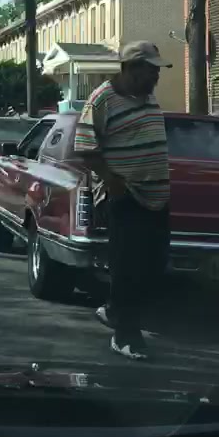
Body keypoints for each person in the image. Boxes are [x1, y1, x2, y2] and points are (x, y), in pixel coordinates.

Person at [73, 41, 172, 360]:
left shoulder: (147, 97)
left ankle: (116, 309)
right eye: (151, 70)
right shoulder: (102, 99)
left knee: (154, 265)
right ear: (130, 68)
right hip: (126, 195)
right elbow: (85, 148)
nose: (157, 76)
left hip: (157, 197)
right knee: (130, 268)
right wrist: (113, 182)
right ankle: (126, 336)